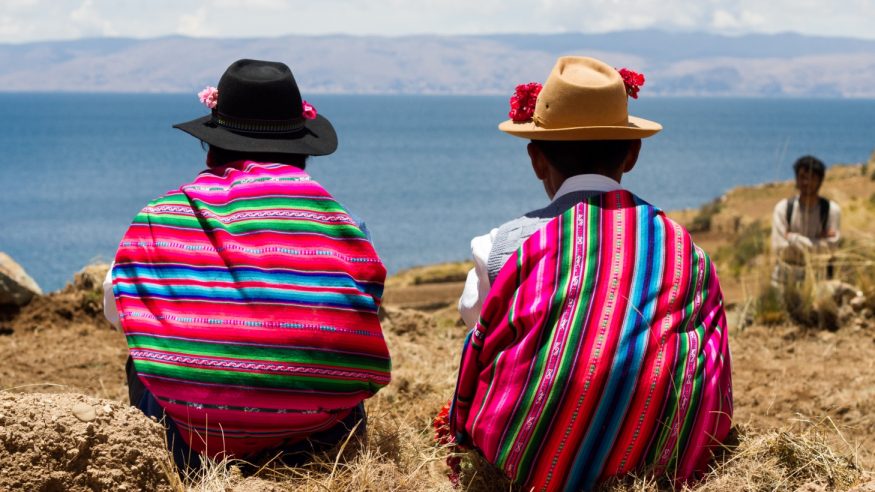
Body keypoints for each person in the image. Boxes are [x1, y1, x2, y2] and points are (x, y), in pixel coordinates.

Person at [449, 56, 733, 490]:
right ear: (632, 154)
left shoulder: (505, 245)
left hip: (529, 465)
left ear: (536, 160)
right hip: (654, 461)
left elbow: (475, 319)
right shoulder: (683, 251)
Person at [102, 59, 391, 468]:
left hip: (188, 444)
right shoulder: (345, 226)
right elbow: (362, 313)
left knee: (143, 355)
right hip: (318, 442)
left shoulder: (160, 219)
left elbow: (118, 311)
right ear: (301, 151)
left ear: (212, 144)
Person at [771, 155, 841, 284]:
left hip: (819, 278)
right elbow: (780, 248)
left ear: (820, 181)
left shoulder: (832, 210)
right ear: (796, 179)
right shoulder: (783, 208)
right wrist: (817, 241)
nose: (806, 182)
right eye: (802, 177)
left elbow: (831, 248)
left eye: (812, 178)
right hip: (785, 278)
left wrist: (793, 238)